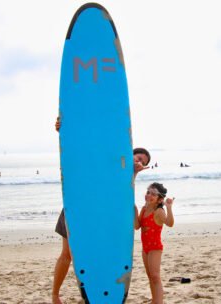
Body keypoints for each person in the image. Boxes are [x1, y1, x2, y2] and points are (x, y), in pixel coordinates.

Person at [52, 117, 151, 304]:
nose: (138, 161)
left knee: (93, 254)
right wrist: (64, 131)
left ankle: (91, 294)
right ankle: (55, 295)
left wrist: (134, 172)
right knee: (67, 254)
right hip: (77, 208)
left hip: (97, 217)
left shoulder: (128, 174)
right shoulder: (109, 157)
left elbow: (123, 191)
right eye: (137, 157)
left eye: (142, 162)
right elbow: (86, 151)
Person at [134, 182, 174, 304]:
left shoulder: (159, 212)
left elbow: (170, 223)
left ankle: (158, 302)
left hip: (155, 248)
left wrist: (168, 207)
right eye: (148, 192)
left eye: (153, 194)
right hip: (145, 248)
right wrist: (134, 210)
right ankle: (154, 300)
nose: (149, 195)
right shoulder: (144, 209)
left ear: (159, 199)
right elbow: (137, 226)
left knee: (155, 276)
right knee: (150, 276)